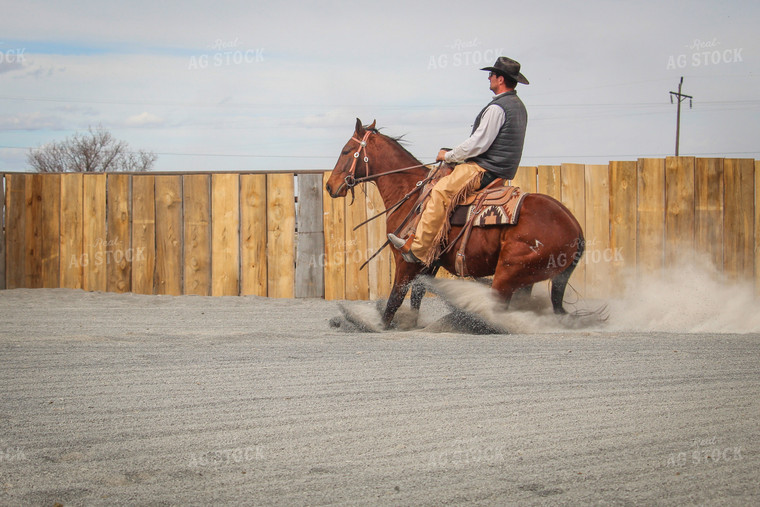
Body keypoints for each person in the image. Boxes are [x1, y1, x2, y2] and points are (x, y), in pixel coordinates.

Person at [388, 56, 529, 265]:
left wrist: (448, 155)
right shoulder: (518, 107)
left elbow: (478, 143)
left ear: (500, 79)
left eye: (491, 74)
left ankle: (417, 250)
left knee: (440, 191)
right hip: (501, 169)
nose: (488, 78)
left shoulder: (497, 108)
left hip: (484, 168)